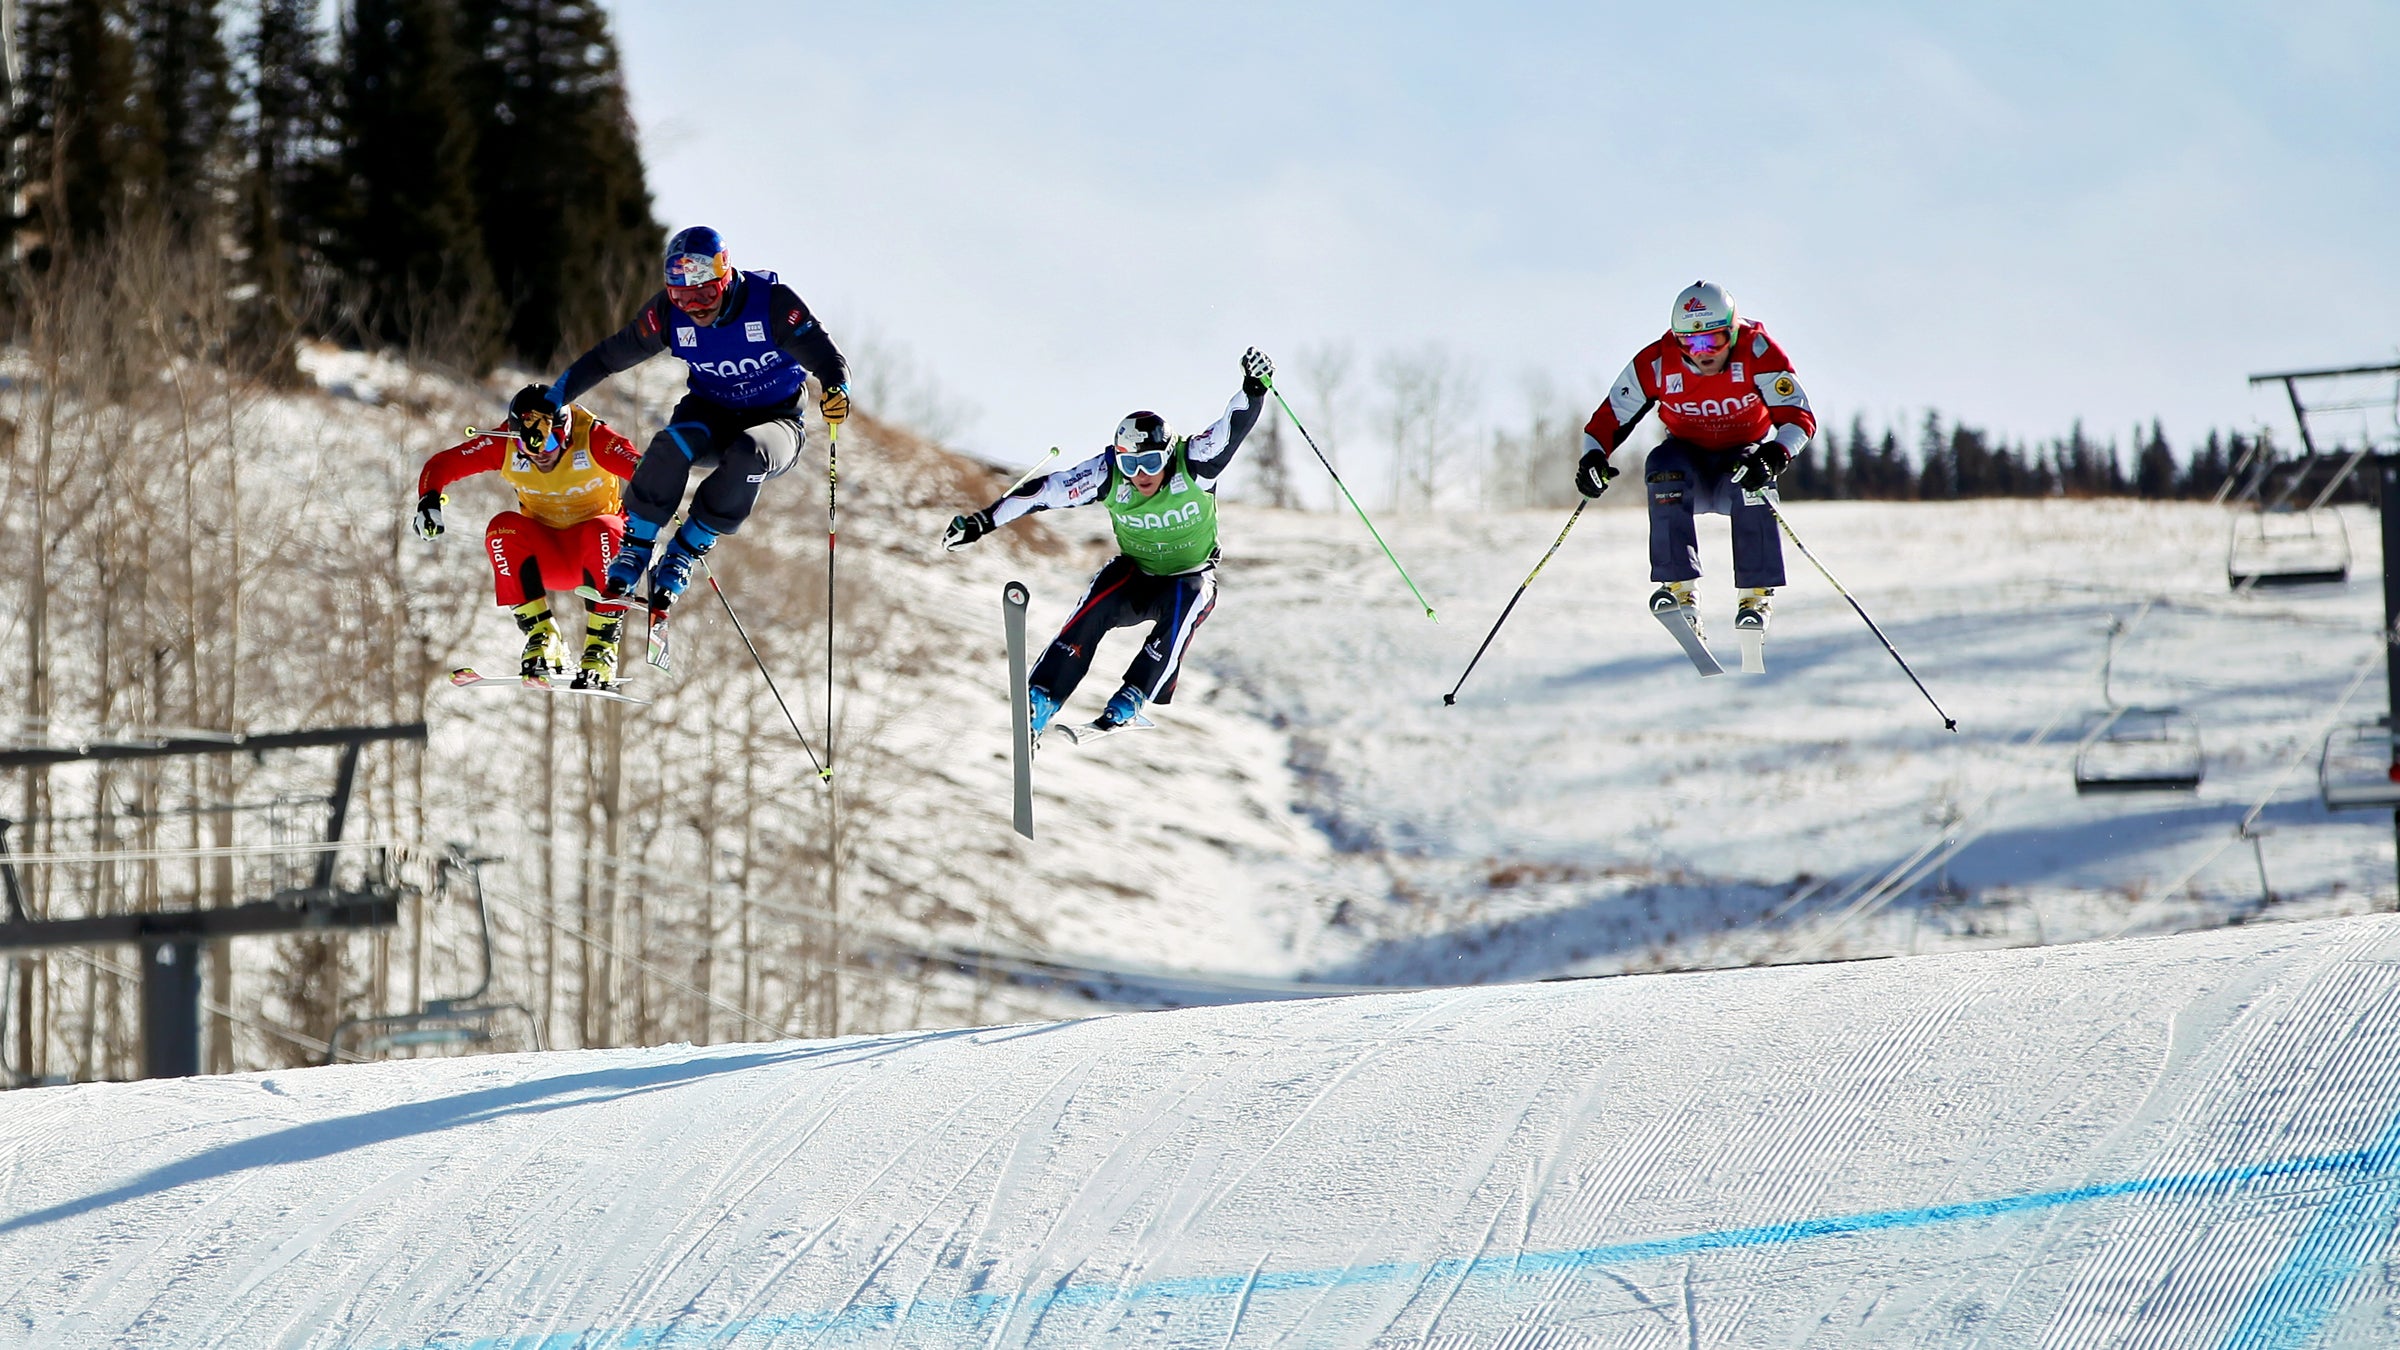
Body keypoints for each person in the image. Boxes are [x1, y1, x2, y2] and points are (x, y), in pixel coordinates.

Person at [943, 349, 1275, 736]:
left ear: (1167, 455)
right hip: (1137, 577)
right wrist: (983, 521)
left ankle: (1133, 696)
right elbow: (1043, 492)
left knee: (1192, 598)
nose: (1140, 475)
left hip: (1187, 577)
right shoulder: (1107, 475)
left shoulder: (1195, 462)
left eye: (1150, 463)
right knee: (1099, 599)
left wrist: (1253, 388)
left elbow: (1231, 430)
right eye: (1130, 465)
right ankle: (1042, 698)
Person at [525, 225, 850, 612]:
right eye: (681, 296)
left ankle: (685, 552)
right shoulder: (667, 315)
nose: (695, 306)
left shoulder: (771, 304)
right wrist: (554, 399)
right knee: (671, 444)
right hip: (710, 414)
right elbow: (607, 357)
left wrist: (836, 389)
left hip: (776, 421)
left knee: (749, 452)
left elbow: (826, 356)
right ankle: (635, 547)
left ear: (725, 274)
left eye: (706, 293)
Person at [1575, 280, 1817, 642]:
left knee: (1752, 480)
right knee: (1661, 463)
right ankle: (1679, 590)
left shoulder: (1758, 351)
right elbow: (1608, 419)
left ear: (1733, 333)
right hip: (1687, 463)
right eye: (1690, 342)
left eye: (1713, 340)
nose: (1702, 352)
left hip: (1738, 459)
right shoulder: (1658, 361)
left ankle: (1755, 596)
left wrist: (1773, 456)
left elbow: (1799, 417)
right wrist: (1592, 458)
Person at [414, 385, 644, 688]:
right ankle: (543, 636)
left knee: (603, 527)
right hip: (546, 558)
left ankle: (602, 648)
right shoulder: (505, 445)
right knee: (502, 527)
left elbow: (648, 472)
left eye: (548, 441)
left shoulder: (593, 438)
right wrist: (428, 499)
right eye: (526, 444)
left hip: (600, 559)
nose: (539, 454)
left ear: (565, 431)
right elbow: (442, 464)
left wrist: (663, 501)